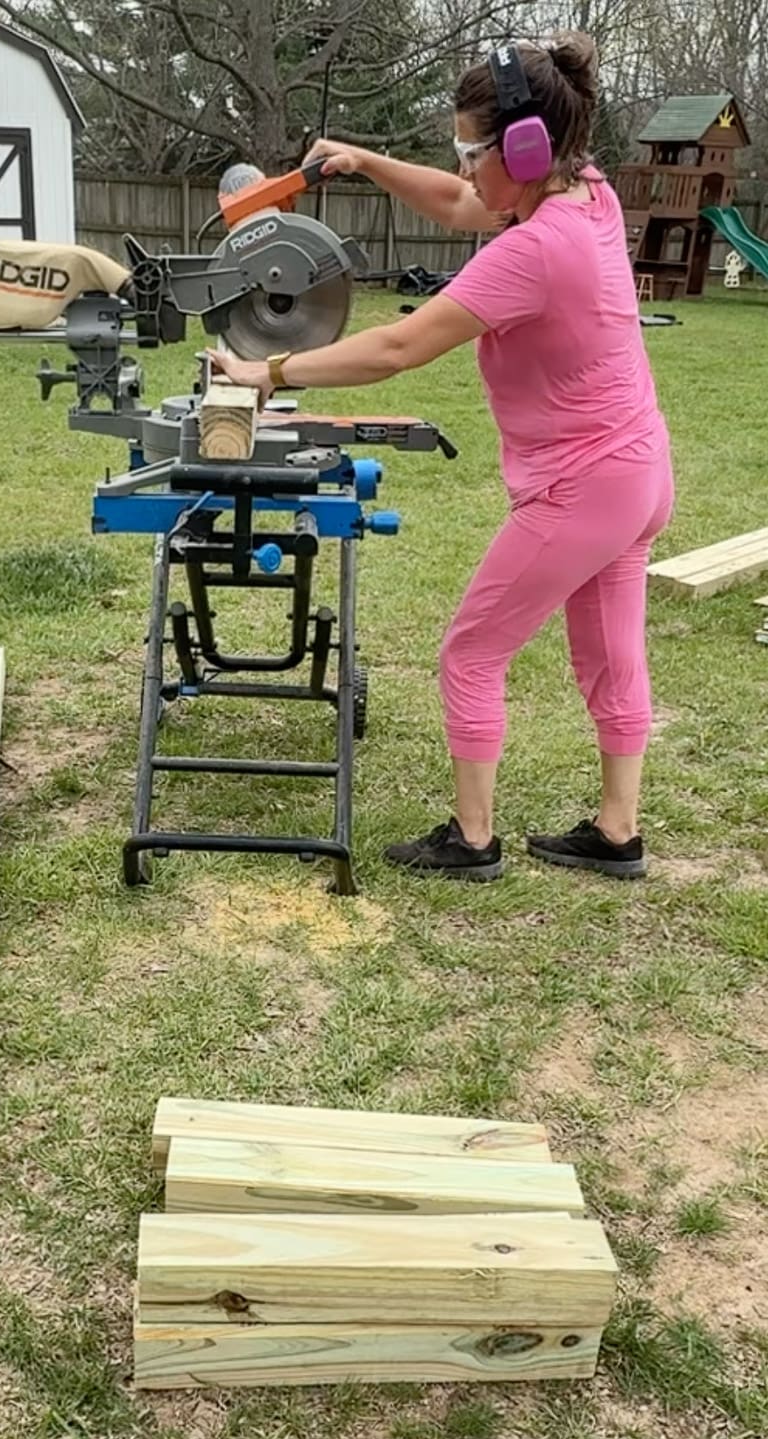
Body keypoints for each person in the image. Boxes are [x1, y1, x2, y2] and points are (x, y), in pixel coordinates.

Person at [207, 33, 674, 883]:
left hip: (583, 487)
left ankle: (473, 839)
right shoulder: (584, 192)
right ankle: (617, 833)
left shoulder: (533, 251)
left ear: (523, 150)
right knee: (611, 652)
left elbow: (397, 348)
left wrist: (265, 370)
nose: (462, 170)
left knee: (471, 652)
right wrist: (364, 159)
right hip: (638, 472)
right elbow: (464, 204)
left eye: (470, 151)